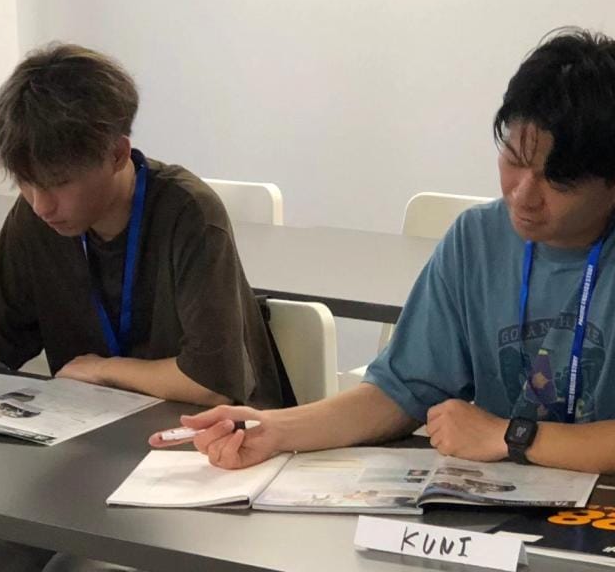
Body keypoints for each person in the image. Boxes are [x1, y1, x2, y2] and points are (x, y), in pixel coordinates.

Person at [152, 27, 615, 475]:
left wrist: (510, 436)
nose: (523, 195)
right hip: (506, 499)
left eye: (558, 181)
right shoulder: (478, 240)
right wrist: (274, 429)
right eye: (514, 160)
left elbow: (500, 436)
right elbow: (400, 392)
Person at [0, 43, 288, 570]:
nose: (41, 204)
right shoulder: (37, 218)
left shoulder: (188, 213)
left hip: (202, 452)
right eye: (25, 183)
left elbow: (213, 381)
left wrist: (104, 368)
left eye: (58, 184)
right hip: (85, 450)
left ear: (118, 154)